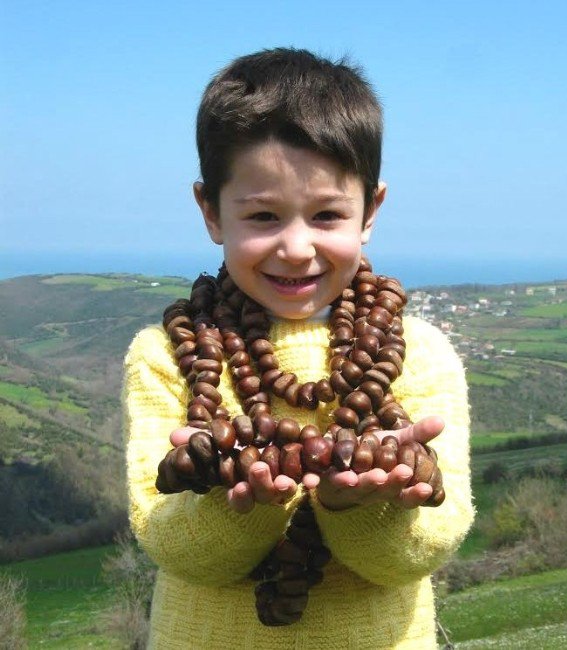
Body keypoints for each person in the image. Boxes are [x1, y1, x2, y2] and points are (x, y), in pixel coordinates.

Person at [123, 48, 474, 649]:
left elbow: (423, 548)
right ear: (210, 210)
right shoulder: (164, 355)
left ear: (371, 210)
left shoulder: (420, 352)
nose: (295, 246)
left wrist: (355, 506)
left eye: (326, 214)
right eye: (263, 215)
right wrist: (248, 502)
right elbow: (173, 544)